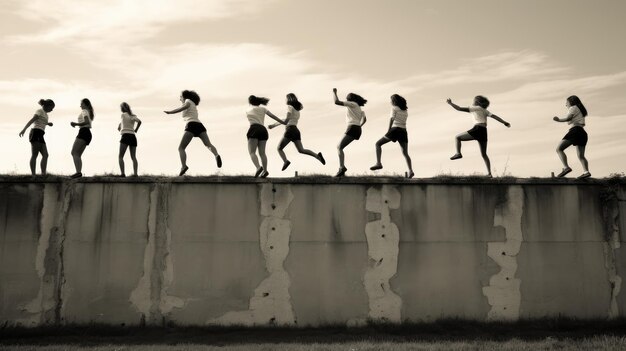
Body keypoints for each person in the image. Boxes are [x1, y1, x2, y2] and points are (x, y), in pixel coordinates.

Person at [446, 96, 510, 177]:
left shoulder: (474, 108)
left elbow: (458, 108)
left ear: (476, 102)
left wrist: (450, 103)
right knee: (484, 154)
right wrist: (504, 122)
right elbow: (495, 116)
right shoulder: (485, 110)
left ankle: (458, 153)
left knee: (457, 137)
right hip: (484, 131)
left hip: (477, 129)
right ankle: (489, 174)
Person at [164, 90, 222, 176]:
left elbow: (183, 108)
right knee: (208, 144)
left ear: (184, 97)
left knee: (181, 148)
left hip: (191, 125)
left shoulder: (187, 101)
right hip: (199, 125)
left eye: (180, 97)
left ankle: (183, 166)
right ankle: (216, 155)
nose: (180, 99)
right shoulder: (193, 103)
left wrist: (170, 112)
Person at [268, 93, 325, 171]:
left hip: (290, 130)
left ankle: (285, 161)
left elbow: (286, 119)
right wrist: (273, 125)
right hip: (296, 130)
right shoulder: (297, 111)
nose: (285, 100)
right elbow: (285, 119)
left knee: (279, 148)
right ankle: (317, 156)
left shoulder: (289, 107)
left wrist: (283, 122)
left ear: (288, 99)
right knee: (301, 150)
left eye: (286, 98)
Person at [369, 94, 414, 178]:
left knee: (378, 144)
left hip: (395, 130)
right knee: (405, 153)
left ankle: (378, 163)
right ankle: (410, 171)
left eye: (391, 100)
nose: (390, 102)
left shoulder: (394, 108)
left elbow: (392, 119)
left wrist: (388, 129)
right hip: (403, 131)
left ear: (394, 101)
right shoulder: (405, 110)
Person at [246, 95, 286, 178]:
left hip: (254, 128)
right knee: (262, 153)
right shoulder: (263, 109)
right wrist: (282, 122)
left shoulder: (248, 110)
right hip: (263, 130)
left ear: (250, 102)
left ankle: (258, 167)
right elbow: (273, 116)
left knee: (252, 152)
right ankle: (264, 171)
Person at [553, 95, 590, 179]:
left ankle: (566, 168)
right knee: (581, 156)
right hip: (582, 132)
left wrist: (558, 120)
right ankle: (586, 172)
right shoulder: (579, 109)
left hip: (575, 131)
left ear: (571, 102)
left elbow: (568, 118)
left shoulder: (573, 107)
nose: (566, 104)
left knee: (559, 149)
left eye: (566, 102)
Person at [332, 88, 367, 177]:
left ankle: (341, 168)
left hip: (352, 127)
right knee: (340, 147)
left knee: (339, 147)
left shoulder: (352, 104)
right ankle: (342, 168)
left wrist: (334, 92)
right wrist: (359, 126)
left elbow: (336, 102)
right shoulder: (359, 108)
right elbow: (365, 119)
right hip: (357, 129)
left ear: (349, 99)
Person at [18, 99, 55, 175]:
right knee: (35, 155)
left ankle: (43, 174)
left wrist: (48, 124)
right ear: (47, 106)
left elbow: (41, 121)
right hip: (35, 132)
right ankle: (33, 175)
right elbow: (32, 120)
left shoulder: (46, 114)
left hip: (41, 134)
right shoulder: (39, 111)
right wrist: (24, 129)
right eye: (51, 108)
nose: (52, 110)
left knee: (45, 155)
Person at [70, 98, 95, 178]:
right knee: (77, 154)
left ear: (85, 104)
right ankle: (78, 172)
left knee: (74, 152)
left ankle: (78, 172)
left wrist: (76, 124)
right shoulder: (88, 112)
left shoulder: (84, 111)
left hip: (83, 132)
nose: (80, 105)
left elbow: (86, 122)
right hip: (87, 133)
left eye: (81, 103)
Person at [117, 102, 142, 177]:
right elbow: (139, 121)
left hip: (125, 136)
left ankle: (122, 173)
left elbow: (119, 128)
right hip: (133, 136)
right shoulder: (133, 116)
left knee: (120, 156)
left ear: (122, 108)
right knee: (133, 157)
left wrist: (121, 128)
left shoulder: (123, 115)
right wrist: (136, 129)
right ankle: (135, 174)